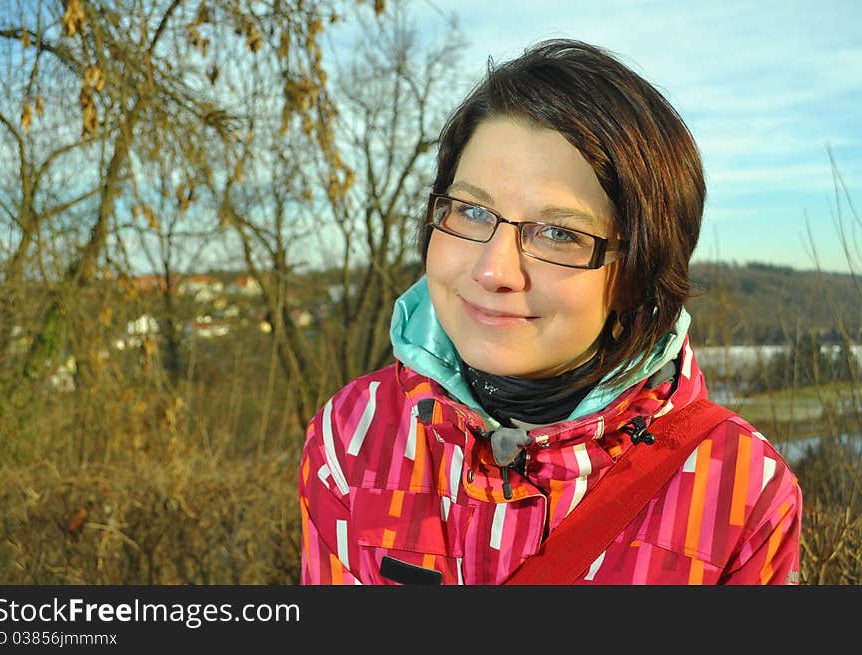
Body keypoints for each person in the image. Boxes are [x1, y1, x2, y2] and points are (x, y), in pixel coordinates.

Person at [297, 38, 802, 585]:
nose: (494, 271)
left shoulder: (737, 495)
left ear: (636, 274)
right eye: (469, 210)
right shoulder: (354, 438)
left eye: (559, 233)